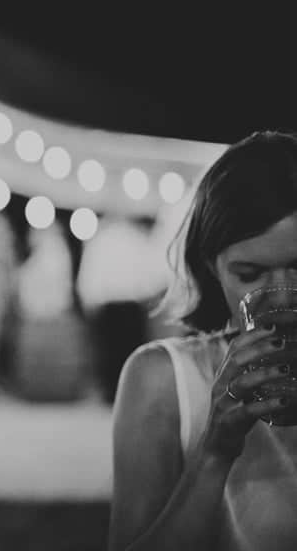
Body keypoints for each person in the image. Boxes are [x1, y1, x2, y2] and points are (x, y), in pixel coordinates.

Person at [110, 130, 297, 551]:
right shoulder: (164, 380)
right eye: (250, 275)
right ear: (211, 268)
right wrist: (214, 451)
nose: (282, 296)